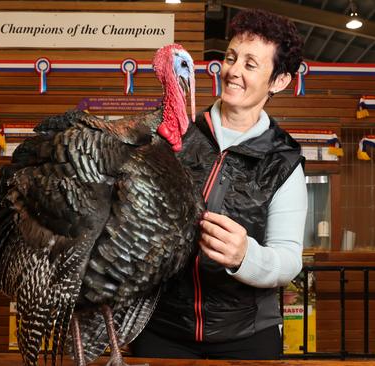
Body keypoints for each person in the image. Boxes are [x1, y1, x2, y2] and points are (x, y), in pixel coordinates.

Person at [130, 8, 307, 360]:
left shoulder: (284, 161)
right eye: (230, 58)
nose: (233, 71)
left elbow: (288, 259)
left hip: (248, 335)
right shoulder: (175, 135)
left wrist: (245, 256)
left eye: (251, 64)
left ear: (279, 81)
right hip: (161, 329)